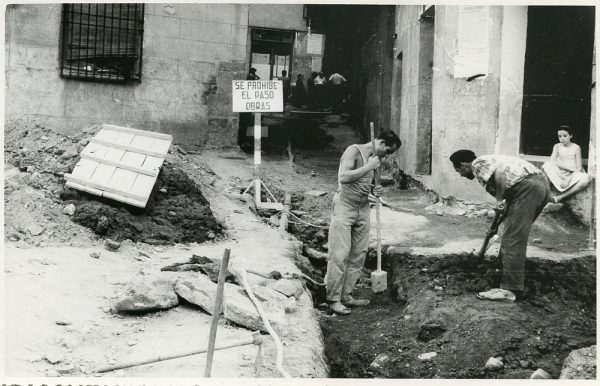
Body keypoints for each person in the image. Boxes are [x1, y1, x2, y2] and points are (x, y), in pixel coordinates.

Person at [449, 150, 550, 302]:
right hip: (539, 186)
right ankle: (503, 274)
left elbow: (501, 174)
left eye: (459, 171)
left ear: (464, 165)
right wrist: (496, 224)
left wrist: (498, 201)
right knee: (512, 235)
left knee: (512, 239)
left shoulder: (477, 164)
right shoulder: (491, 161)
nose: (461, 175)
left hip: (527, 188)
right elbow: (509, 196)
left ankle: (509, 290)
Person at [326, 130, 402, 315]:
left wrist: (376, 190)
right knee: (339, 254)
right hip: (345, 206)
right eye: (388, 151)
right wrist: (368, 167)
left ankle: (346, 296)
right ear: (381, 143)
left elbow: (367, 184)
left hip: (363, 207)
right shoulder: (354, 151)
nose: (387, 155)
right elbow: (343, 177)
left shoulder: (375, 159)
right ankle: (333, 299)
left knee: (358, 254)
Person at [541, 125, 589, 203]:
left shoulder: (576, 147)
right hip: (560, 171)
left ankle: (560, 197)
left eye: (565, 136)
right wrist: (567, 167)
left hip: (573, 174)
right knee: (547, 165)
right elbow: (552, 161)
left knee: (585, 179)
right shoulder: (557, 146)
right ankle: (546, 194)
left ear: (571, 136)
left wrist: (568, 179)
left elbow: (579, 168)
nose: (562, 138)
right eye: (559, 136)